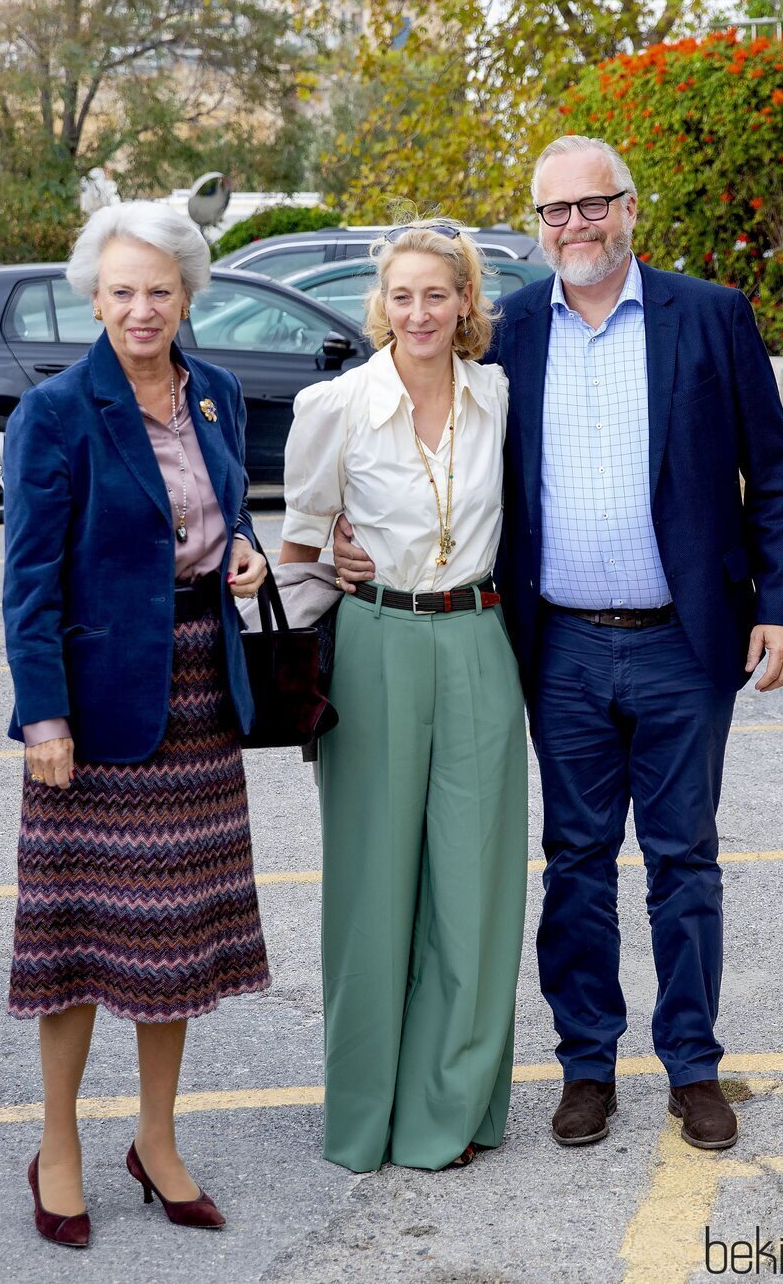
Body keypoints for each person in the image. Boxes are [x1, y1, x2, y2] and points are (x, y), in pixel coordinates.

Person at [333, 138, 783, 1153]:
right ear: (536, 224)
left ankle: (691, 1065)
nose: (573, 227)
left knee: (684, 860)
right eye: (553, 212)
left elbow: (771, 475)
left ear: (627, 209)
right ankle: (585, 1066)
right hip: (560, 651)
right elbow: (427, 441)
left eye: (591, 206)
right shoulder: (508, 341)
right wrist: (347, 534)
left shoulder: (710, 317)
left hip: (689, 647)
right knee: (576, 862)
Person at [2, 201, 269, 1248]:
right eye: (121, 290)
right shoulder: (60, 412)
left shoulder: (216, 396)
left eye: (159, 288)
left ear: (186, 292)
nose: (141, 307)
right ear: (94, 296)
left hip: (200, 693)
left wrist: (242, 545)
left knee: (175, 943)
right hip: (93, 711)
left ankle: (155, 1140)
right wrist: (42, 717)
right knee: (73, 942)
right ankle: (58, 1142)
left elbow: (223, 512)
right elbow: (26, 579)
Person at [281, 220, 528, 1173]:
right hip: (374, 642)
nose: (418, 311)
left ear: (467, 302)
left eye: (438, 293)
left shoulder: (499, 394)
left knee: (474, 889)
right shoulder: (335, 406)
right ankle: (364, 1113)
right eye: (401, 294)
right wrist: (331, 570)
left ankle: (449, 1106)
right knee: (372, 891)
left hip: (477, 640)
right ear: (379, 303)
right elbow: (298, 549)